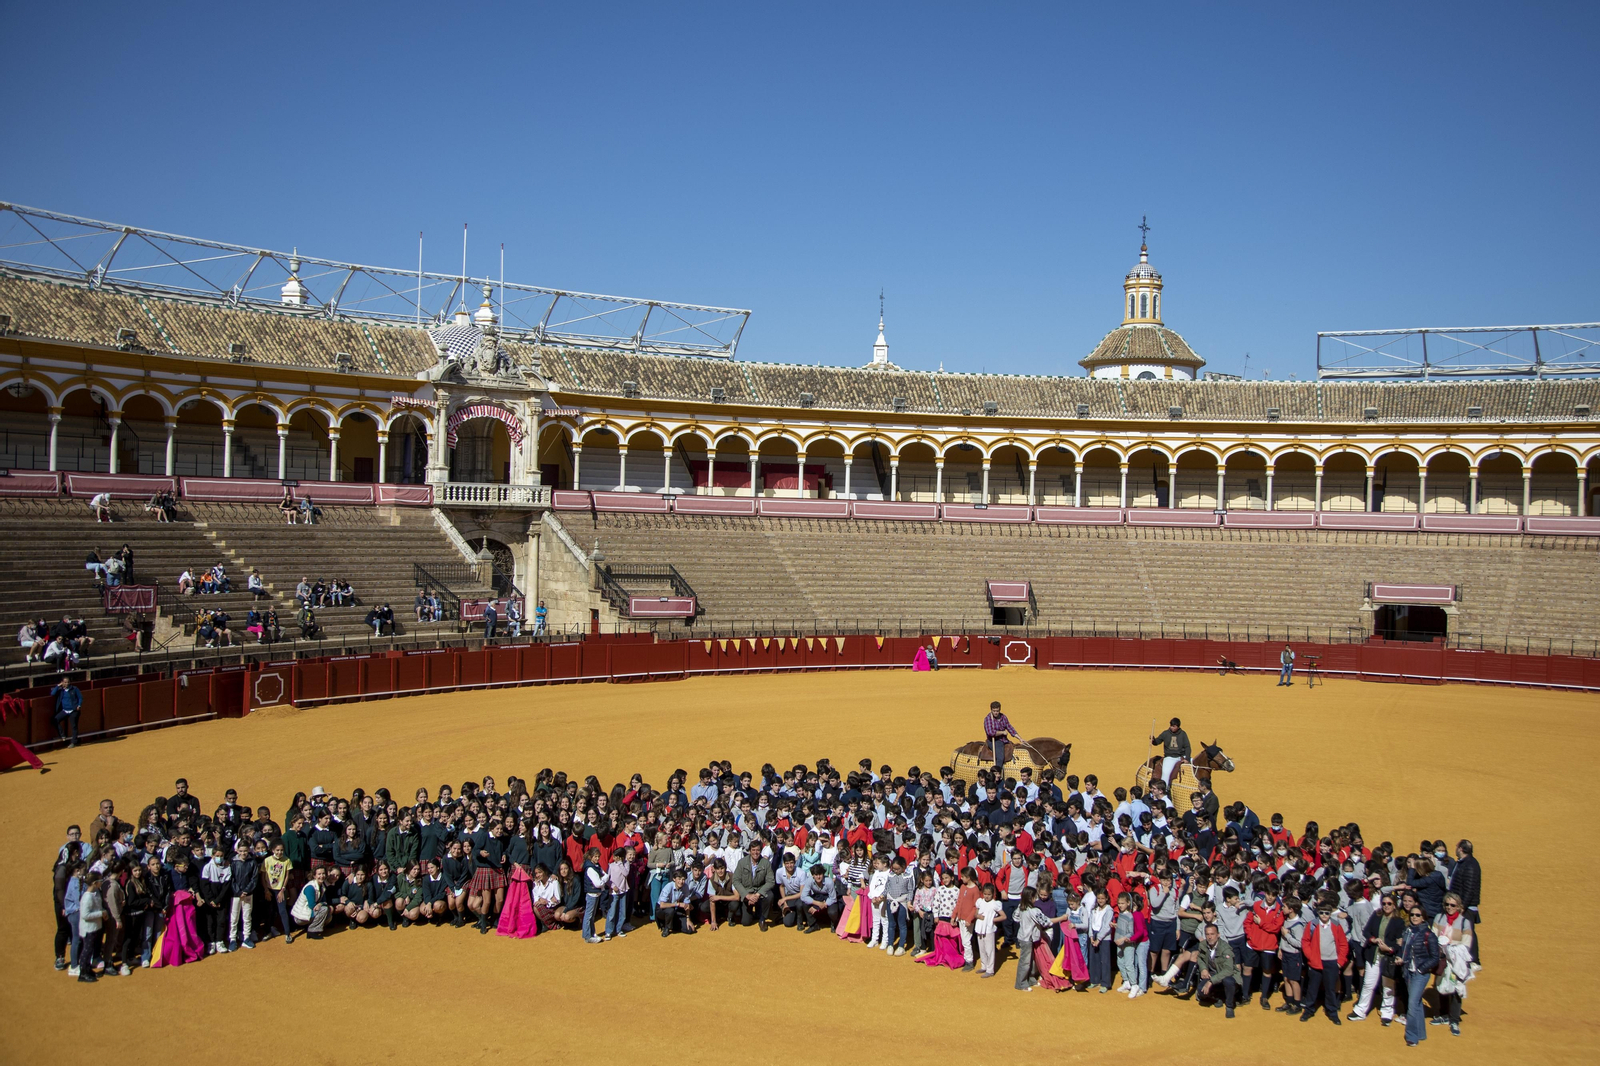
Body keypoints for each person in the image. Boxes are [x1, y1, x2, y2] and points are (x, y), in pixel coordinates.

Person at [1399, 904, 1441, 1047]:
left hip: (1420, 974)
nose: (1414, 917)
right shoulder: (1408, 931)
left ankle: (1411, 1036)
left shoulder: (1429, 935)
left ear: (1423, 918)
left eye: (1417, 915)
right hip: (1408, 972)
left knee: (1411, 1004)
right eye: (1412, 915)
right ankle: (1421, 1033)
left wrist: (1421, 969)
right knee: (1416, 1003)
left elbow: (1435, 957)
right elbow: (1405, 951)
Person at [1197, 921, 1240, 1017]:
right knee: (1201, 991)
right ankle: (1218, 997)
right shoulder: (1203, 945)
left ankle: (1229, 1005)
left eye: (1212, 934)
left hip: (1227, 975)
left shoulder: (1225, 949)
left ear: (1218, 935)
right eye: (1207, 934)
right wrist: (1203, 968)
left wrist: (1211, 981)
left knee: (1228, 981)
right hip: (1213, 974)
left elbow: (1228, 970)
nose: (1209, 937)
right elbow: (1200, 958)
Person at [1150, 717, 1191, 786]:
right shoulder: (1165, 733)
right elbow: (1157, 742)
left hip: (1181, 757)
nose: (1172, 727)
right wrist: (1153, 740)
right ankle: (1165, 788)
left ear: (1178, 727)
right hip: (1170, 757)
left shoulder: (1183, 734)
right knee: (1166, 773)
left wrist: (1187, 758)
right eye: (1171, 726)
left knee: (1194, 765)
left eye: (1174, 726)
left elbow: (1187, 747)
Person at [983, 701, 1020, 771]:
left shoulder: (1003, 717)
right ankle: (996, 773)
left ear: (999, 710)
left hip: (1004, 740)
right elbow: (990, 732)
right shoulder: (988, 719)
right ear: (991, 710)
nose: (995, 713)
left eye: (997, 711)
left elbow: (1010, 728)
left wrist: (1020, 738)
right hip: (995, 741)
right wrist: (1002, 732)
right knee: (1000, 757)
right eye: (994, 711)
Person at [52, 677, 82, 748]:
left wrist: (79, 705)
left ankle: (73, 742)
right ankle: (62, 735)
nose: (67, 684)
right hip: (65, 710)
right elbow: (52, 693)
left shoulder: (74, 689)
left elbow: (80, 697)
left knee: (74, 726)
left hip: (74, 710)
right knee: (55, 720)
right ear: (62, 682)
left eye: (68, 682)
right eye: (65, 682)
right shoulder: (60, 690)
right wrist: (58, 686)